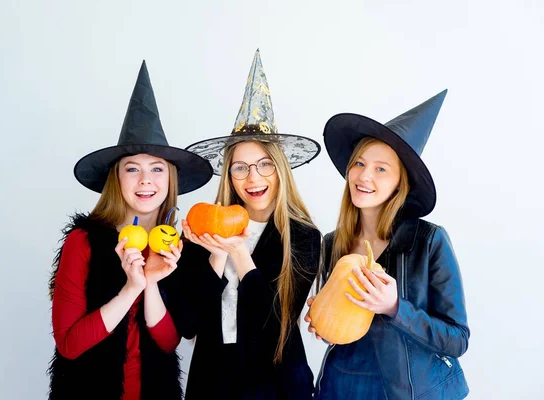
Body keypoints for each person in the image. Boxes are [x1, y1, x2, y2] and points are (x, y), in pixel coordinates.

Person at [46, 60, 213, 400]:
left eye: (157, 169)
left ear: (170, 180)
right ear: (117, 179)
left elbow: (168, 342)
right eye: (132, 168)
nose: (146, 180)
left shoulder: (177, 249)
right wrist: (129, 289)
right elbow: (70, 344)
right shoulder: (84, 242)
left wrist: (150, 282)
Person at [163, 49, 322, 399]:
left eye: (264, 164)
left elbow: (276, 325)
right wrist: (215, 257)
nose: (253, 177)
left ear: (280, 170)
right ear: (229, 177)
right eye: (241, 167)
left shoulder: (305, 237)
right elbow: (188, 326)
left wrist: (240, 255)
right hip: (212, 382)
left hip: (277, 384)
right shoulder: (203, 227)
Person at [305, 90, 470, 399]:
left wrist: (394, 307)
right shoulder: (332, 244)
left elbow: (457, 339)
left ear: (400, 183)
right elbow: (345, 328)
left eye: (381, 168)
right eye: (359, 163)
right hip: (341, 388)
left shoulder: (430, 241)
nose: (364, 176)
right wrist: (324, 321)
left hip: (409, 392)